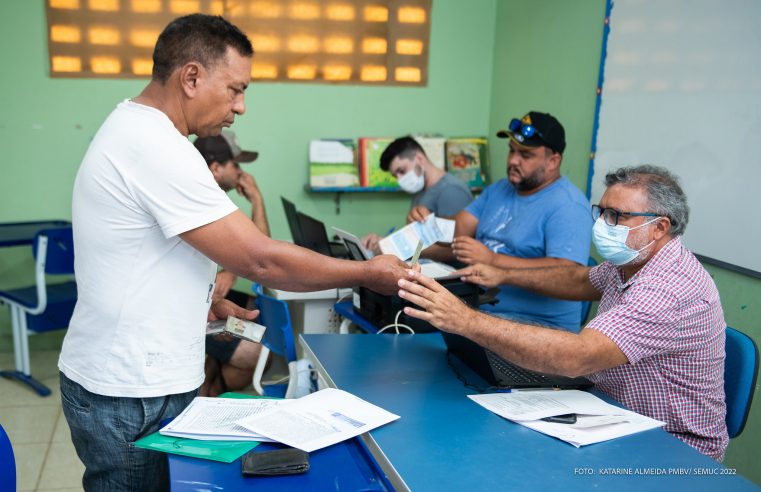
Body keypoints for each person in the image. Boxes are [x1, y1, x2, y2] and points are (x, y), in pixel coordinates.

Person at [58, 14, 409, 491]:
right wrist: (366, 273)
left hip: (134, 377)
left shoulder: (139, 131)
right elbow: (261, 259)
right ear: (192, 77)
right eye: (235, 89)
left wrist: (197, 301)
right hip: (129, 391)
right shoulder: (155, 146)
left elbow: (145, 255)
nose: (241, 107)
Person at [398, 165, 728, 461]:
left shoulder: (667, 288)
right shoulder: (629, 263)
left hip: (672, 448)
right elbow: (578, 278)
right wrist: (503, 274)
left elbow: (578, 357)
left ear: (659, 228)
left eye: (617, 216)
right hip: (611, 411)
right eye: (601, 212)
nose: (602, 224)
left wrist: (466, 319)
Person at [424, 111, 592, 331]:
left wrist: (493, 260)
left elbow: (568, 275)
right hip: (480, 314)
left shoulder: (569, 205)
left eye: (526, 154)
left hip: (539, 329)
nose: (513, 160)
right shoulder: (500, 189)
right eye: (512, 150)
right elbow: (456, 231)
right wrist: (425, 223)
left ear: (553, 161)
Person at [193, 130, 267, 396]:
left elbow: (260, 248)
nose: (241, 172)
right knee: (256, 348)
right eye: (235, 164)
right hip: (182, 307)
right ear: (215, 168)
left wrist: (256, 199)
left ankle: (209, 383)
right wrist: (257, 198)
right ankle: (208, 393)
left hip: (203, 295)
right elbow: (261, 255)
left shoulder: (214, 198)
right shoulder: (203, 200)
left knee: (255, 307)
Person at [361, 136, 473, 253]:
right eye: (396, 176)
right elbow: (418, 237)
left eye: (402, 171)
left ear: (419, 159)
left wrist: (393, 249)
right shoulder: (420, 190)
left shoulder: (451, 191)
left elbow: (456, 248)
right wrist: (385, 242)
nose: (400, 180)